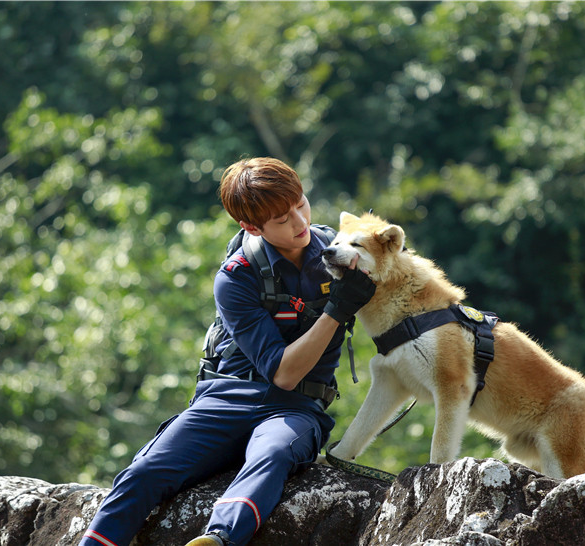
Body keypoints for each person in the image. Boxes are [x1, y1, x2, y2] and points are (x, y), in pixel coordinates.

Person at [79, 157, 375, 546]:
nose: (300, 223)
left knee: (271, 454)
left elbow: (411, 288)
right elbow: (283, 372)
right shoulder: (235, 277)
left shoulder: (343, 252)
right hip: (225, 400)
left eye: (300, 204)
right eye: (282, 219)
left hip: (295, 409)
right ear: (252, 227)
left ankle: (217, 540)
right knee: (145, 472)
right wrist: (337, 311)